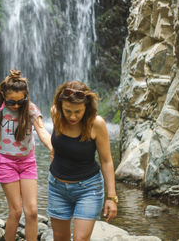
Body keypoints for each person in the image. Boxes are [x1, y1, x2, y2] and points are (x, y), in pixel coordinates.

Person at [0, 70, 53, 241]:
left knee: (33, 212)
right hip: (5, 162)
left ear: (26, 97)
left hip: (27, 162)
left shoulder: (30, 109)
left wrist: (53, 147)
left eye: (20, 101)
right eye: (11, 102)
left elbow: (42, 130)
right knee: (16, 211)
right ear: (3, 96)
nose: (15, 106)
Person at [47, 80, 118, 241]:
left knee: (80, 239)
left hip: (88, 189)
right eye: (68, 111)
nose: (72, 116)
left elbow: (106, 161)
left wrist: (111, 197)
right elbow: (58, 145)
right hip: (57, 188)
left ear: (86, 107)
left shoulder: (96, 124)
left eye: (78, 111)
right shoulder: (55, 114)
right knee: (59, 238)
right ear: (60, 106)